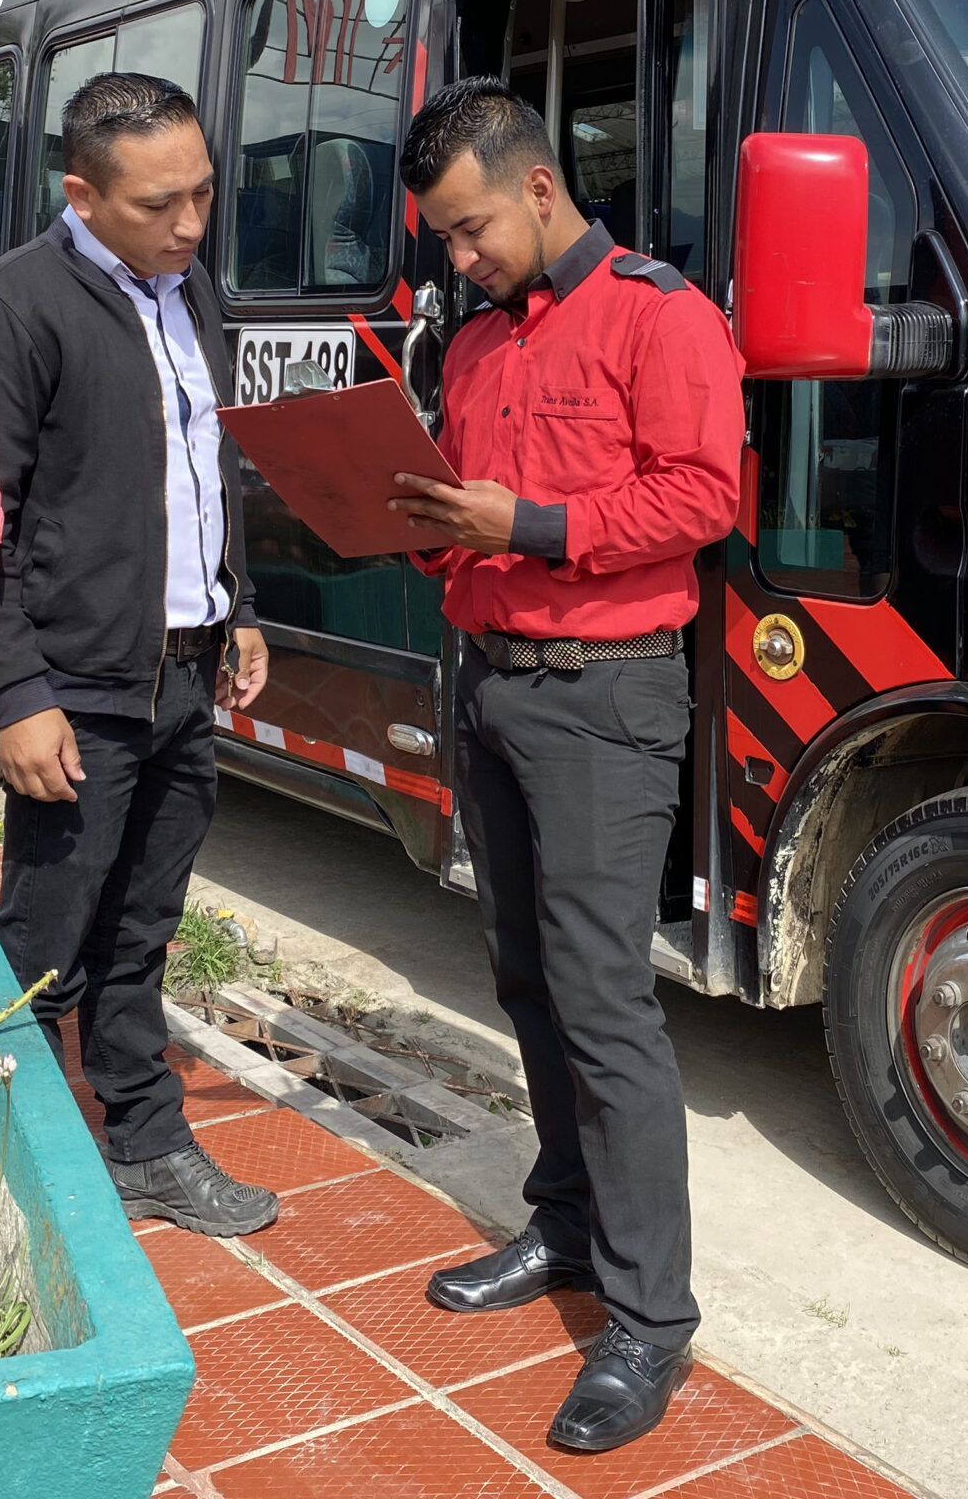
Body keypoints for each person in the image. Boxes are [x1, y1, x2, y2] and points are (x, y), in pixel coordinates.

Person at [387, 75, 745, 1453]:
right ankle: (570, 1231)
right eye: (446, 242)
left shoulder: (660, 315)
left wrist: (524, 520)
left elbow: (703, 496)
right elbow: (463, 517)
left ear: (539, 186)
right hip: (486, 684)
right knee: (527, 977)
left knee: (604, 1005)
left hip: (604, 700)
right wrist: (413, 520)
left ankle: (652, 1321)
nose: (460, 259)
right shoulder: (473, 347)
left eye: (473, 231)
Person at [0, 71, 277, 1236]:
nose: (187, 225)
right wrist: (17, 697)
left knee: (144, 927)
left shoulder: (193, 295)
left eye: (203, 197)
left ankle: (142, 1138)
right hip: (76, 692)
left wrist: (238, 608)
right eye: (156, 205)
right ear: (81, 193)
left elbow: (205, 474)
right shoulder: (15, 308)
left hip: (183, 671)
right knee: (43, 938)